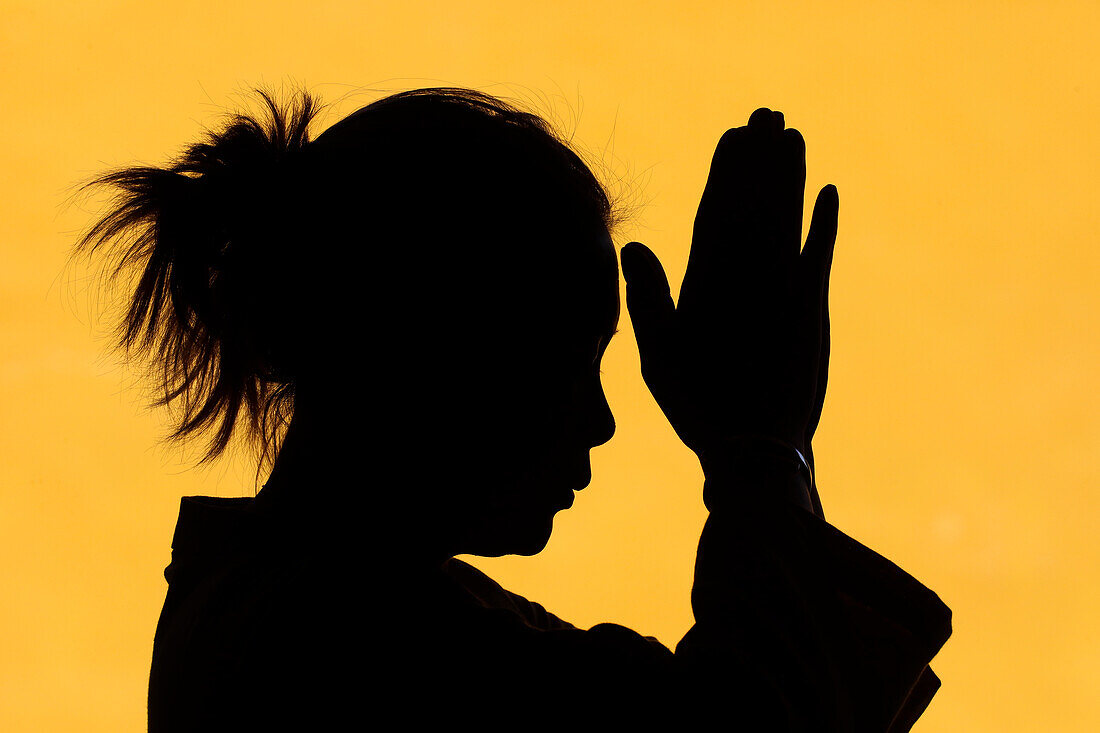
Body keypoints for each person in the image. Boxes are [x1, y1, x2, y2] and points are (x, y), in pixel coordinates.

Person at [73, 86, 951, 731]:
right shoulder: (359, 653)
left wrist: (763, 457)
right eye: (567, 361)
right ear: (436, 350)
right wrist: (758, 448)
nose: (601, 419)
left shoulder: (302, 615)